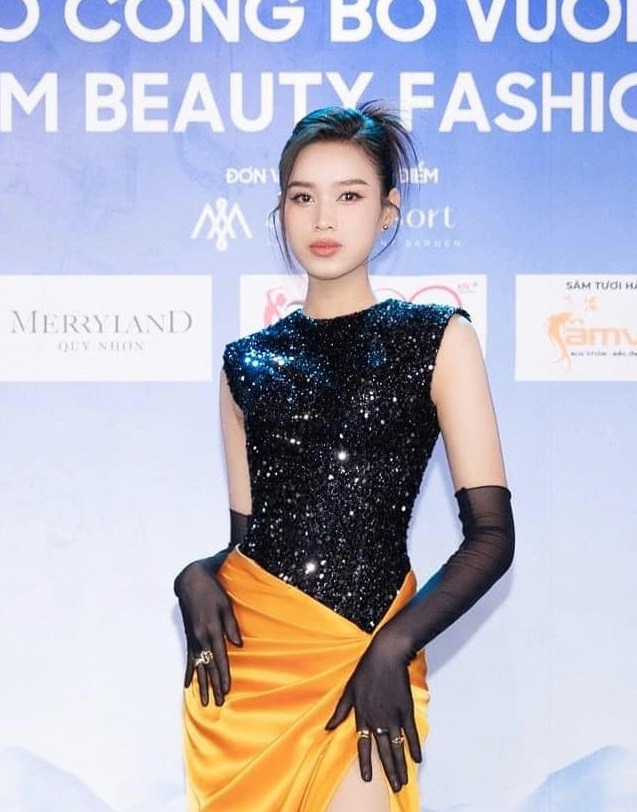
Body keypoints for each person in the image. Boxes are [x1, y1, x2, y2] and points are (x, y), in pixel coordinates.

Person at [174, 102, 515, 812]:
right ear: (281, 211)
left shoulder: (437, 338)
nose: (323, 218)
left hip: (367, 653)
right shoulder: (245, 363)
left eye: (349, 196)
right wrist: (197, 573)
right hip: (250, 676)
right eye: (303, 197)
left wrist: (394, 646)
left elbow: (491, 537)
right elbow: (252, 540)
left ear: (388, 211)